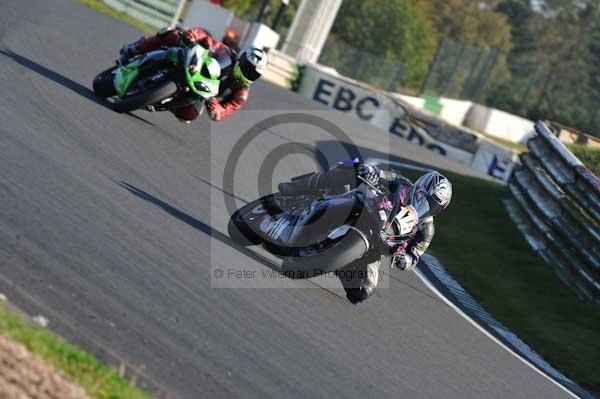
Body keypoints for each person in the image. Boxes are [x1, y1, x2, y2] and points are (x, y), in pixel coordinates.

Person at [276, 159, 452, 303]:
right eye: (424, 194)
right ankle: (298, 188)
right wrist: (370, 171)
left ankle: (338, 260)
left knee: (362, 292)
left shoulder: (426, 229)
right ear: (418, 186)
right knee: (350, 166)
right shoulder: (401, 184)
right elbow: (381, 173)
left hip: (375, 248)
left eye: (434, 203)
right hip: (363, 210)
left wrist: (405, 260)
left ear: (439, 209)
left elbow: (415, 254)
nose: (426, 202)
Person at [120, 27, 268, 123]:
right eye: (247, 67)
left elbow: (221, 113)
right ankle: (133, 49)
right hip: (191, 66)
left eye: (253, 73)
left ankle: (159, 101)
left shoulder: (241, 93)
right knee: (172, 34)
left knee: (191, 114)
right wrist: (192, 35)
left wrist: (214, 105)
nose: (248, 73)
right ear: (241, 58)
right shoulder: (226, 52)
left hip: (200, 93)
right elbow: (206, 37)